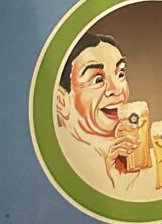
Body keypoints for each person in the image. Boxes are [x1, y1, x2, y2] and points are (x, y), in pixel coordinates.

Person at [53, 30, 155, 191]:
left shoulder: (143, 159)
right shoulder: (59, 164)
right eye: (98, 79)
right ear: (61, 101)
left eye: (120, 74)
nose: (117, 89)